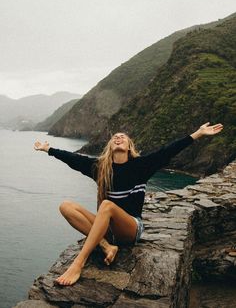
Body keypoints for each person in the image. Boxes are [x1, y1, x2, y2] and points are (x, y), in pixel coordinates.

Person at [34, 121, 223, 286]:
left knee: (107, 205)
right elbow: (74, 159)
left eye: (122, 137)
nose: (118, 138)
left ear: (129, 145)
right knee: (65, 206)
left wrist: (198, 134)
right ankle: (106, 246)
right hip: (107, 229)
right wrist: (48, 150)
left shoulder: (141, 165)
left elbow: (169, 150)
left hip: (131, 228)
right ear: (110, 145)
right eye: (115, 137)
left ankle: (78, 263)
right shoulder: (100, 168)